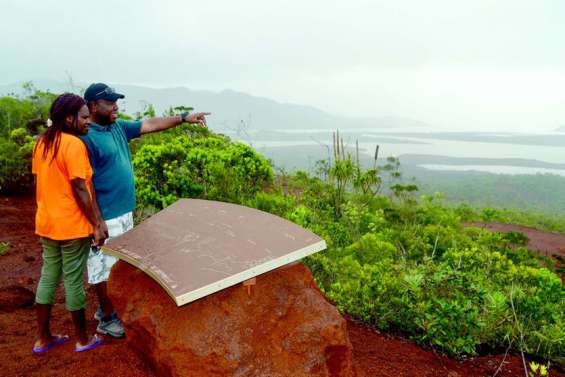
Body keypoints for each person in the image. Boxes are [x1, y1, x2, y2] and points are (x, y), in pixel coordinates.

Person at [81, 83, 209, 337]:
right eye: (109, 102)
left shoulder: (116, 127)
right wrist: (96, 221)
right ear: (94, 106)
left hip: (123, 211)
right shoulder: (86, 138)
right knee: (102, 267)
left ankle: (108, 309)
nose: (116, 106)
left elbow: (149, 124)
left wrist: (183, 118)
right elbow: (83, 184)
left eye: (116, 101)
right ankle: (107, 318)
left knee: (116, 264)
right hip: (104, 215)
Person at [32, 93, 107, 353]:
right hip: (72, 225)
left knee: (49, 276)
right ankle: (83, 339)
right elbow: (79, 187)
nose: (88, 121)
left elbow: (41, 181)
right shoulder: (73, 145)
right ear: (69, 118)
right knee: (74, 279)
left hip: (47, 222)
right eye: (84, 117)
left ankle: (43, 338)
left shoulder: (41, 143)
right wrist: (97, 223)